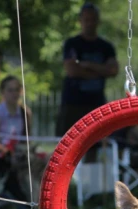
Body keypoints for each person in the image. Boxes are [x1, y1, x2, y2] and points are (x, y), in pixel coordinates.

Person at [56, 2, 118, 137]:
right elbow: (71, 70)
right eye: (86, 19)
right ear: (80, 21)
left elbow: (113, 70)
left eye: (93, 19)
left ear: (98, 21)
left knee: (94, 141)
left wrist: (88, 65)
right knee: (68, 142)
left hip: (96, 103)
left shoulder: (106, 47)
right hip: (73, 103)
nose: (90, 23)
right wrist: (100, 71)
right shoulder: (72, 44)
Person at [0, 75, 32, 155]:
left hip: (21, 153)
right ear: (2, 92)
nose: (14, 93)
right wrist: (8, 152)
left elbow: (28, 140)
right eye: (10, 90)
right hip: (2, 155)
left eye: (17, 90)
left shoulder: (26, 112)